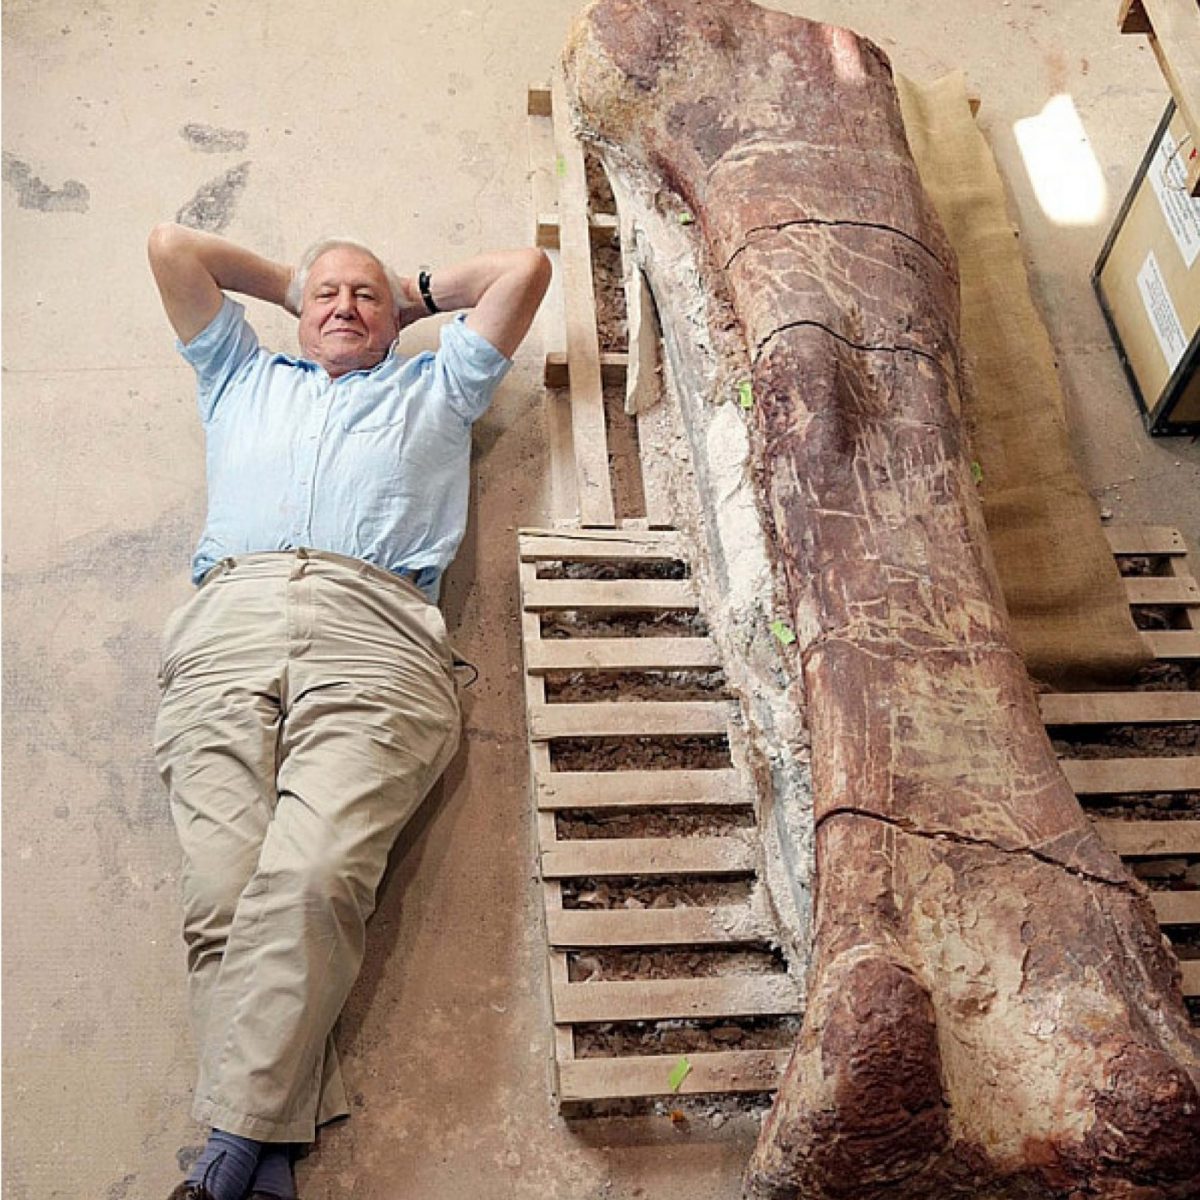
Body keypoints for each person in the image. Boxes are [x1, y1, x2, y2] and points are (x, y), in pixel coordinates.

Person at [147, 222, 551, 1200]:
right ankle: (268, 1157)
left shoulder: (439, 388)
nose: (342, 307)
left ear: (397, 320)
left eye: (363, 298)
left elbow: (523, 268)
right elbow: (172, 248)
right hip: (226, 628)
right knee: (219, 898)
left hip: (375, 634)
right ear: (296, 310)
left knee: (316, 875)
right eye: (325, 294)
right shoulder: (241, 375)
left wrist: (411, 287)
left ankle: (230, 1154)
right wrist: (295, 281)